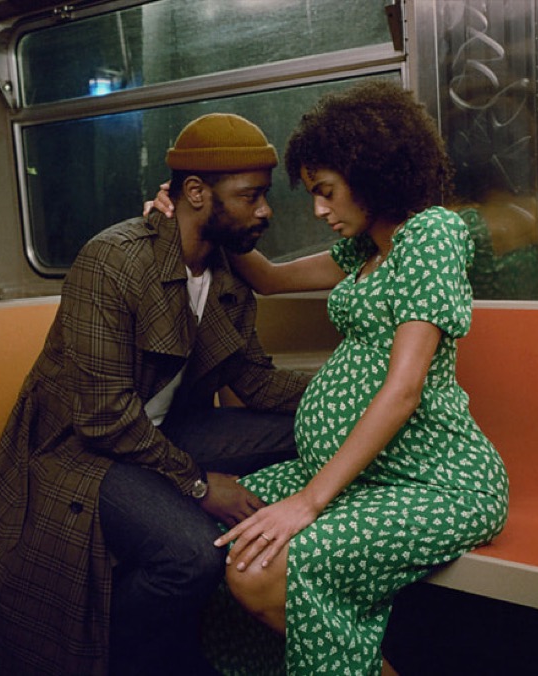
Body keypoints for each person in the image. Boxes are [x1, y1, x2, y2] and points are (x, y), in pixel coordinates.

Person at [152, 79, 510, 675]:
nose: (319, 209)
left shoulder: (431, 235)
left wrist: (309, 504)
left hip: (435, 480)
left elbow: (404, 390)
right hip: (363, 473)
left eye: (326, 191)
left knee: (260, 570)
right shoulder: (366, 249)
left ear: (371, 174)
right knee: (218, 537)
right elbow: (266, 277)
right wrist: (195, 212)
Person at [0, 113, 312, 675]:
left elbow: (255, 380)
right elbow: (104, 417)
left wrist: (349, 392)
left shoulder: (223, 273)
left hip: (162, 433)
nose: (265, 211)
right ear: (195, 193)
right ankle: (112, 652)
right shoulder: (115, 261)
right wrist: (198, 485)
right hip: (81, 452)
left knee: (310, 427)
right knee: (193, 557)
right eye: (252, 196)